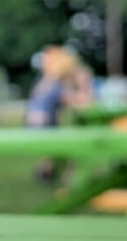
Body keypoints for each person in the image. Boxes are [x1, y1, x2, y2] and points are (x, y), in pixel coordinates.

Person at [26, 46, 91, 182]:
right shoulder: (58, 86)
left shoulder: (44, 82)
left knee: (57, 144)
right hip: (44, 130)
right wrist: (84, 84)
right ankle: (68, 178)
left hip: (31, 128)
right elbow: (83, 103)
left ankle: (46, 170)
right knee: (78, 143)